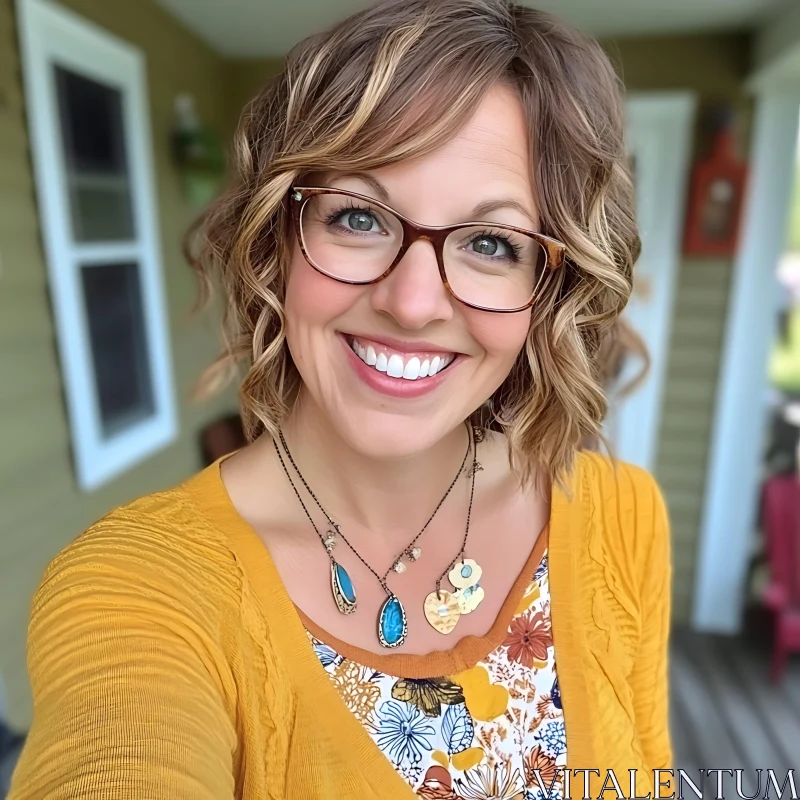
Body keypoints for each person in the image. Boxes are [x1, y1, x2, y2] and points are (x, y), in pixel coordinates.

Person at [9, 1, 673, 797]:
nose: (414, 301)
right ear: (276, 242)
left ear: (546, 290)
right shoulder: (137, 587)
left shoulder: (620, 517)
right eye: (358, 217)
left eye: (491, 243)